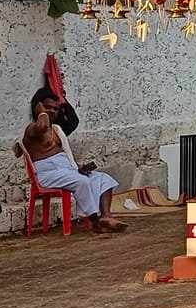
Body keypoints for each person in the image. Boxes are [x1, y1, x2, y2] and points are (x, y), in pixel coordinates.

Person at [21, 90, 124, 234]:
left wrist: (77, 168)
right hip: (47, 174)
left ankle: (106, 216)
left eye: (55, 109)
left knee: (103, 179)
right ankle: (96, 222)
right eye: (47, 107)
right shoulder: (32, 129)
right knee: (82, 182)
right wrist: (41, 113)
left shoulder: (56, 130)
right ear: (39, 107)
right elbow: (41, 126)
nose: (52, 111)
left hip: (66, 171)